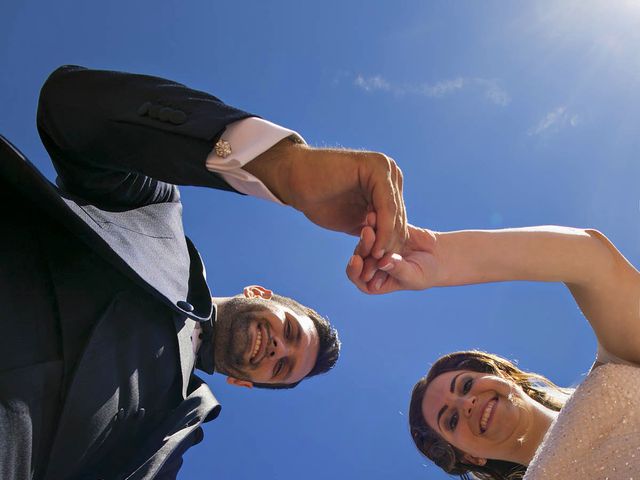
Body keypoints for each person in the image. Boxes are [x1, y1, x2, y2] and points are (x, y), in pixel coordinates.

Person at [0, 65, 407, 480]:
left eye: (281, 367)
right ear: (261, 292)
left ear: (244, 385)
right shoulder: (154, 215)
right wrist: (285, 168)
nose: (276, 349)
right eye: (289, 331)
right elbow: (71, 107)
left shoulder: (170, 435)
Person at [347, 224, 640, 479]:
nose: (466, 405)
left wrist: (442, 255)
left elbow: (590, 257)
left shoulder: (616, 366)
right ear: (470, 458)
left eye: (465, 385)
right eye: (451, 420)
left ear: (505, 376)